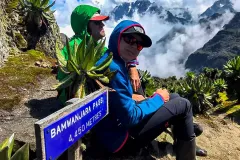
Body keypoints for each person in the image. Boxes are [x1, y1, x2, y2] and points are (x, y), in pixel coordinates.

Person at [94, 20, 196, 160]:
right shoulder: (114, 70)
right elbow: (130, 118)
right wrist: (158, 99)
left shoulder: (110, 59)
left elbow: (117, 99)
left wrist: (143, 98)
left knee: (174, 96)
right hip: (122, 141)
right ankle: (188, 153)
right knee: (183, 104)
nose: (134, 46)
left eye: (139, 44)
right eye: (129, 39)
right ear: (117, 36)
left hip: (113, 131)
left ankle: (185, 141)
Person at [56, 4, 140, 104]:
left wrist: (132, 66)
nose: (103, 25)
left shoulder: (96, 47)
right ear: (85, 26)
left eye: (101, 21)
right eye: (97, 22)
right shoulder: (73, 48)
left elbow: (117, 55)